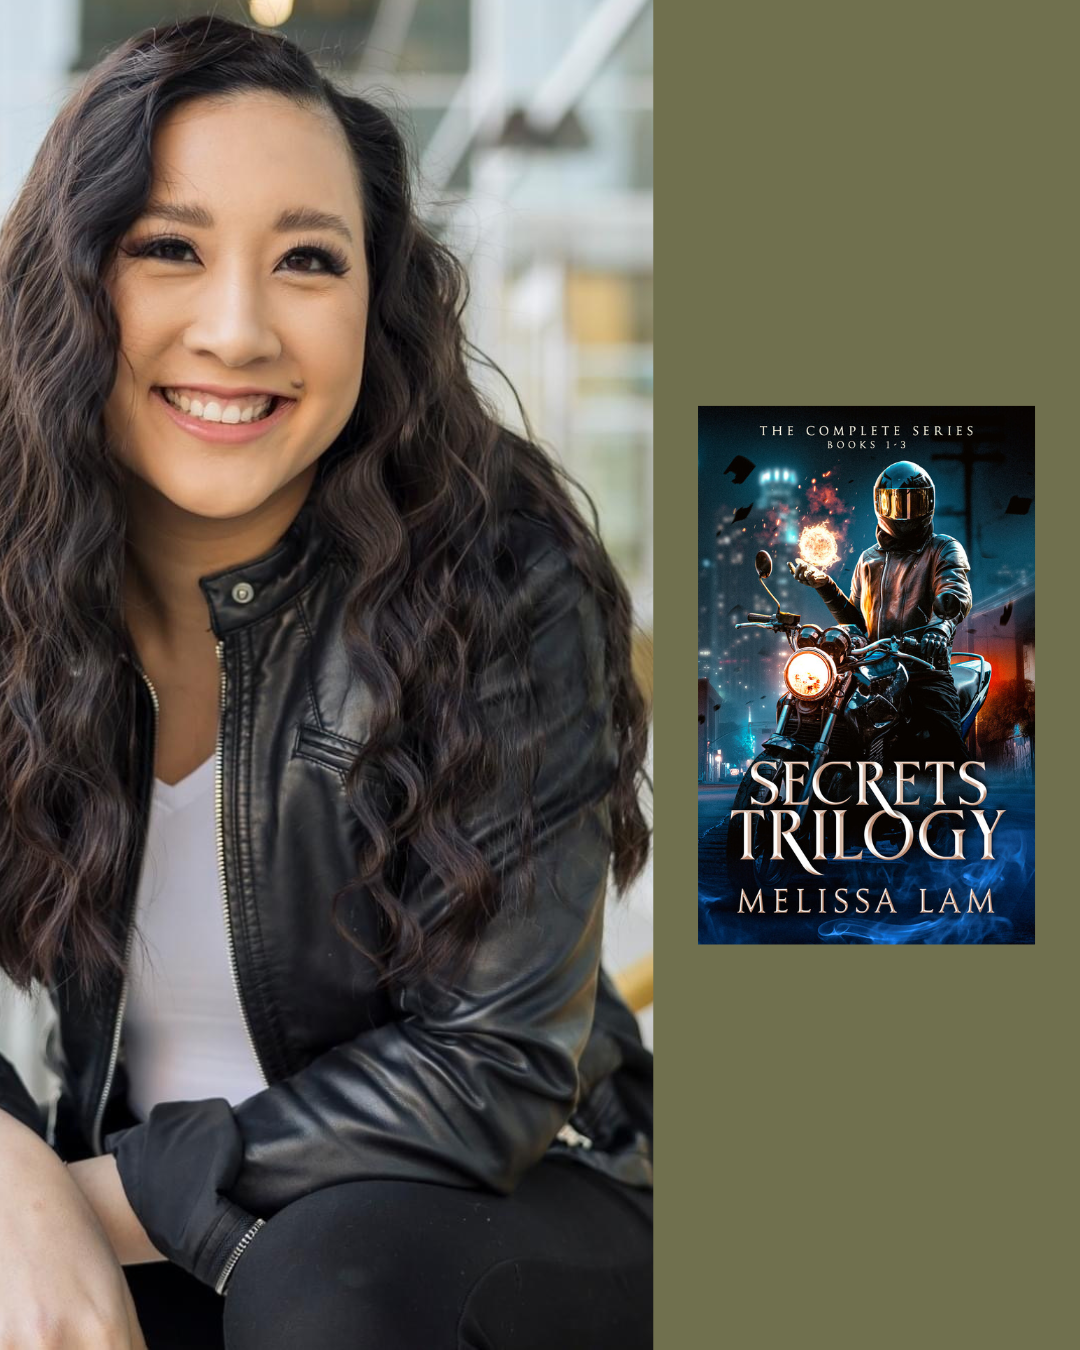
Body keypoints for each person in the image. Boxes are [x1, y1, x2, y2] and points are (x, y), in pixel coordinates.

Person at [0, 16, 652, 1349]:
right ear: (70, 286)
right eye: (168, 248)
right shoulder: (20, 577)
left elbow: (491, 1074)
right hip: (149, 1206)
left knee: (330, 1282)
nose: (236, 329)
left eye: (308, 260)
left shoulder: (496, 576)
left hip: (512, 1194)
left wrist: (77, 1198)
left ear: (377, 301)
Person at [787, 460, 973, 762]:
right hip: (872, 671)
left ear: (929, 504)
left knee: (947, 747)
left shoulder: (943, 548)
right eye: (897, 503)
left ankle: (956, 803)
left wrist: (940, 628)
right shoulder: (867, 560)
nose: (906, 513)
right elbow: (857, 625)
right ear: (880, 504)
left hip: (923, 669)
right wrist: (825, 586)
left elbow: (954, 589)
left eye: (915, 503)